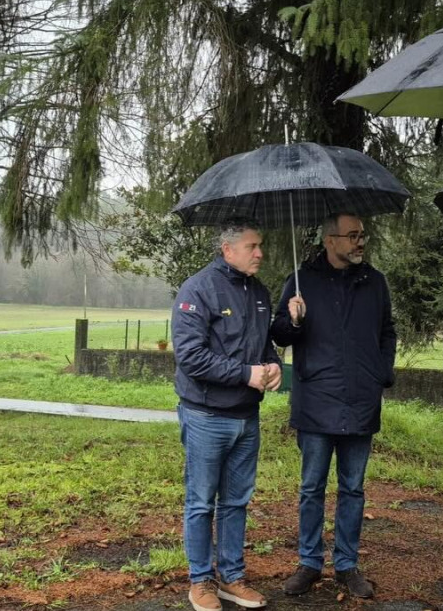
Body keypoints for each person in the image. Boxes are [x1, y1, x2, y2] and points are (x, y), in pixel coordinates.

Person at [271, 213, 397, 599]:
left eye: (363, 235)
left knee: (353, 489)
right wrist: (292, 321)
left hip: (361, 400)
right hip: (315, 400)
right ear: (330, 240)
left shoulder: (374, 282)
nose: (361, 242)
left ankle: (346, 564)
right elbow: (278, 333)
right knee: (311, 487)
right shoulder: (301, 281)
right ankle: (309, 563)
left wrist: (381, 372)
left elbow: (387, 331)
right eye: (353, 236)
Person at [172, 221, 283, 611]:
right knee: (201, 502)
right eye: (252, 246)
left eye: (261, 245)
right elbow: (190, 356)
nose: (260, 253)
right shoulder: (198, 290)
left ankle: (231, 578)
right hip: (205, 415)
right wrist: (245, 374)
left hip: (246, 418)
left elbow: (264, 344)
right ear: (227, 249)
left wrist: (273, 365)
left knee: (236, 502)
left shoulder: (259, 293)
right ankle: (200, 581)